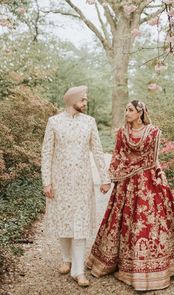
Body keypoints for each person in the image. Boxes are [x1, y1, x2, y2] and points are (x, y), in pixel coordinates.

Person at [86, 100, 174, 291]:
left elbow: (154, 159)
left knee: (148, 223)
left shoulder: (153, 131)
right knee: (125, 222)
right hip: (127, 184)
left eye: (129, 110)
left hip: (148, 183)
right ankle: (121, 264)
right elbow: (118, 156)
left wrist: (160, 176)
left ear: (140, 112)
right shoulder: (122, 133)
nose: (126, 113)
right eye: (125, 109)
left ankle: (155, 268)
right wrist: (110, 178)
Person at [41, 86, 111, 287]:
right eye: (83, 100)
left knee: (80, 225)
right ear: (73, 100)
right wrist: (47, 182)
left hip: (82, 182)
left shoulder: (89, 122)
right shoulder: (54, 122)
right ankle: (66, 259)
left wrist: (104, 178)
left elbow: (97, 151)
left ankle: (78, 271)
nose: (85, 103)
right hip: (59, 181)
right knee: (64, 222)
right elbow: (46, 153)